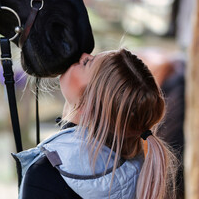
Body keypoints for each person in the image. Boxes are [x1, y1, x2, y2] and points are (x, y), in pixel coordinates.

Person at [13, 48, 177, 199]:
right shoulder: (138, 174)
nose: (83, 54)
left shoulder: (44, 176)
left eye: (86, 63)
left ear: (88, 105)